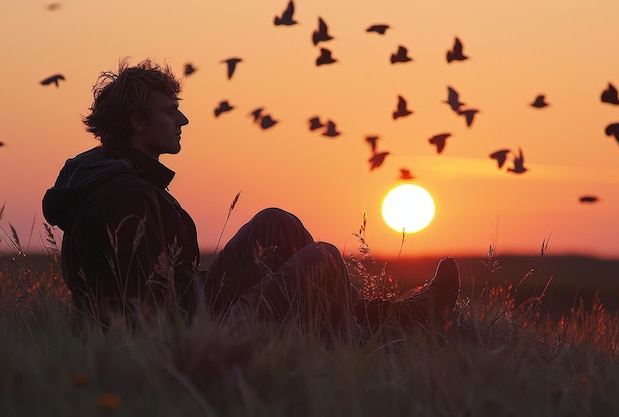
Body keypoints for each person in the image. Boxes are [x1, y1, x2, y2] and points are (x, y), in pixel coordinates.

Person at [42, 58, 460, 333]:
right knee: (323, 257)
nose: (183, 118)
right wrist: (257, 293)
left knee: (277, 223)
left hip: (192, 305)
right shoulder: (125, 195)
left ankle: (384, 317)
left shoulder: (121, 178)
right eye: (170, 110)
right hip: (192, 332)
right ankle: (383, 332)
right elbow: (148, 314)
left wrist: (253, 280)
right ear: (137, 121)